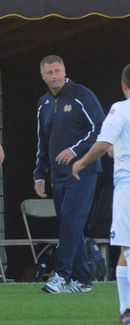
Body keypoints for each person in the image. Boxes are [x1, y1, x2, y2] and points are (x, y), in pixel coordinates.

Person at [36, 55, 105, 294]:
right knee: (68, 224)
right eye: (49, 73)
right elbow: (42, 143)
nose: (54, 76)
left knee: (71, 221)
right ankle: (83, 280)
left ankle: (62, 275)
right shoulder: (43, 103)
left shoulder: (81, 94)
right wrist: (39, 174)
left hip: (83, 170)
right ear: (43, 76)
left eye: (57, 71)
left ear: (65, 70)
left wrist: (74, 150)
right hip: (57, 174)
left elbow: (100, 128)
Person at [71, 63, 130, 325]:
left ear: (123, 85)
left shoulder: (120, 109)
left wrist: (81, 163)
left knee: (128, 247)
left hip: (127, 184)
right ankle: (126, 310)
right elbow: (112, 148)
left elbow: (103, 145)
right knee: (126, 248)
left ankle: (127, 310)